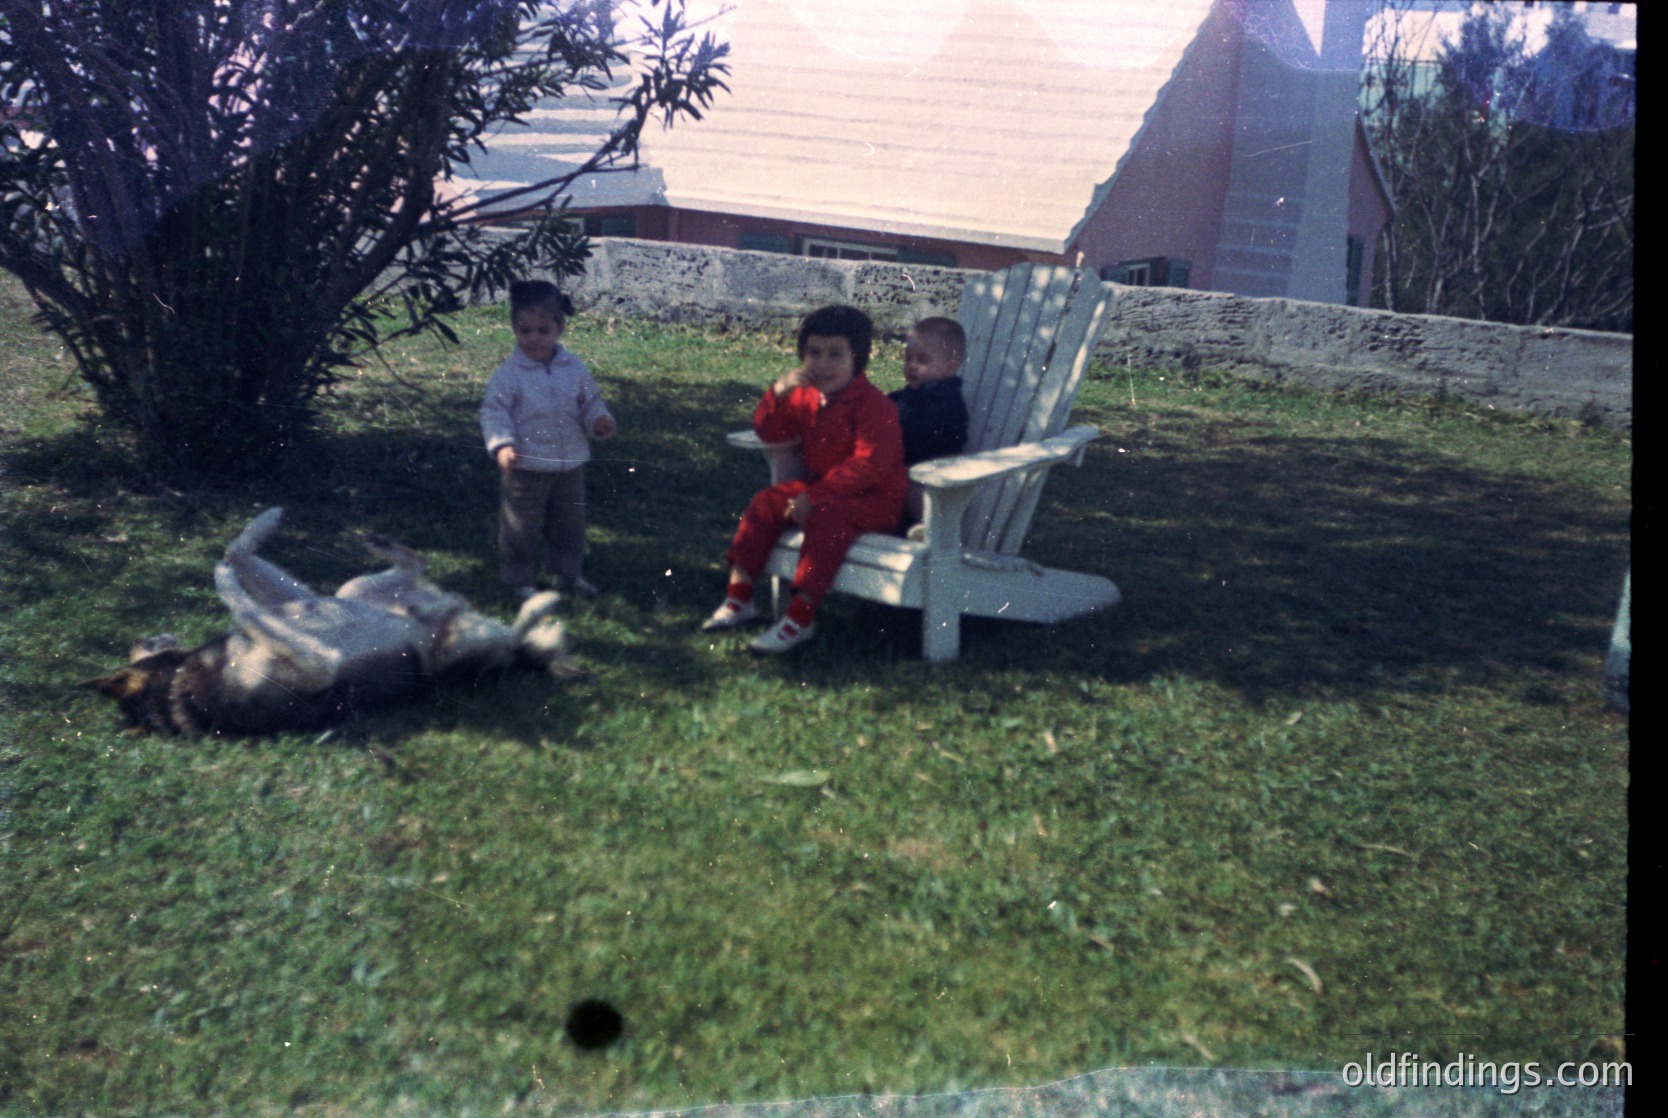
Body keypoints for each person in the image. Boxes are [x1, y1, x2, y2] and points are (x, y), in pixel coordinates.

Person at [703, 305, 907, 654]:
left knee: (828, 519)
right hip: (825, 492)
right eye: (814, 352)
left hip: (877, 501)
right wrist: (778, 394)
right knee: (766, 501)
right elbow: (770, 432)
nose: (822, 364)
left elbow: (870, 464)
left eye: (835, 354)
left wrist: (818, 496)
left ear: (858, 358)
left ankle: (800, 618)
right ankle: (740, 598)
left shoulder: (874, 406)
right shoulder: (806, 395)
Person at [480, 279, 615, 601]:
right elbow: (494, 412)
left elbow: (589, 401)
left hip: (569, 464)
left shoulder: (574, 368)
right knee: (521, 527)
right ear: (514, 328)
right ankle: (519, 576)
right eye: (524, 331)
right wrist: (502, 444)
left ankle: (567, 572)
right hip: (526, 464)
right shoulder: (509, 374)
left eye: (542, 330)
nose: (533, 339)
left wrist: (599, 420)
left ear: (559, 327)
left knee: (569, 524)